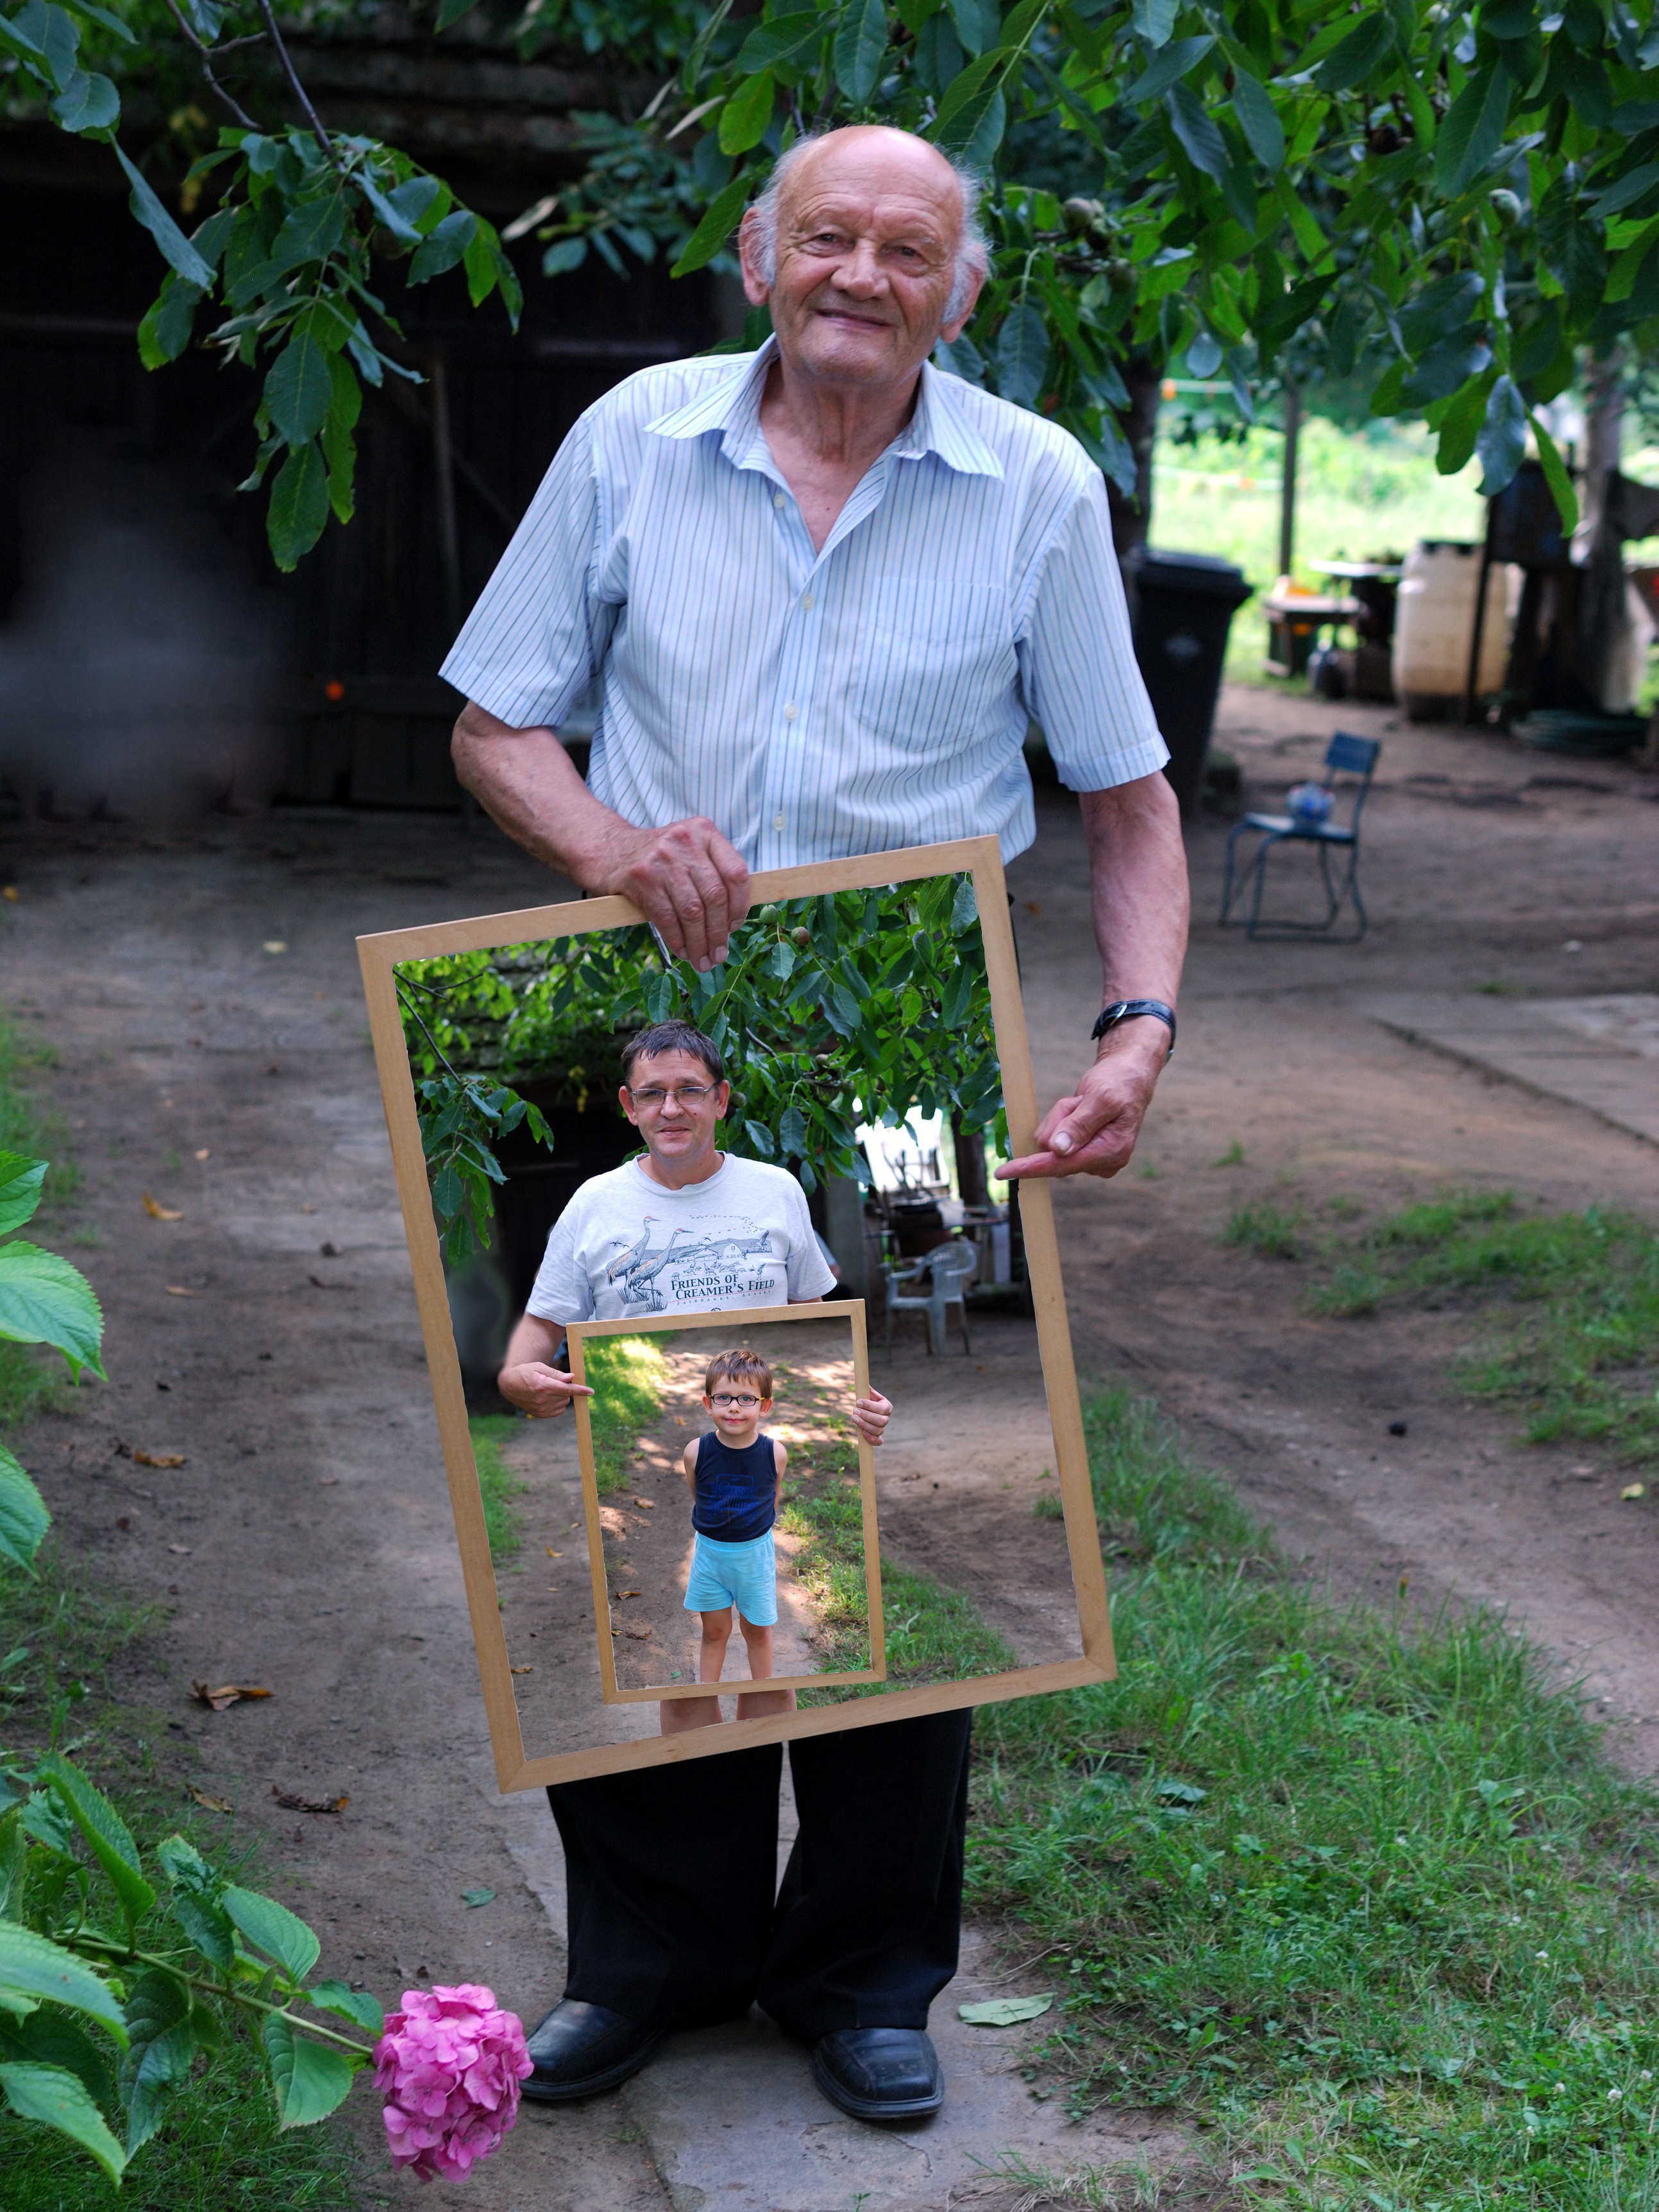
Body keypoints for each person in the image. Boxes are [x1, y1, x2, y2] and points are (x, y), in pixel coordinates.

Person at [446, 121, 1188, 2122]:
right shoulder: (630, 441)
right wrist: (610, 844)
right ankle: (654, 1955)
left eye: (909, 250)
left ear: (959, 292)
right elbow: (494, 718)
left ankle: (862, 1971)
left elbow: (1126, 801)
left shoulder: (1033, 484)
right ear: (761, 255)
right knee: (655, 1471)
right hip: (660, 1022)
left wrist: (1133, 1027)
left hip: (909, 1068)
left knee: (911, 1482)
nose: (863, 272)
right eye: (829, 237)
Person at [677, 1347, 790, 1728]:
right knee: (715, 1631)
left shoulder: (775, 1453)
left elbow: (772, 1499)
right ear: (708, 1404)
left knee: (757, 1631)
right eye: (724, 1398)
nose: (735, 1408)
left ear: (765, 1405)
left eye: (747, 1399)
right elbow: (700, 1495)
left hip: (754, 1558)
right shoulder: (696, 1451)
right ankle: (705, 1710)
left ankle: (766, 1709)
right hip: (710, 1556)